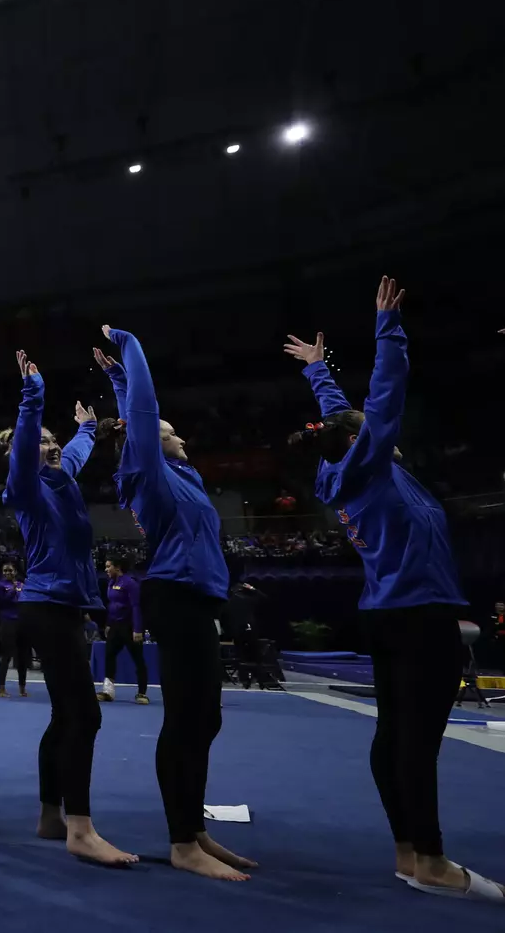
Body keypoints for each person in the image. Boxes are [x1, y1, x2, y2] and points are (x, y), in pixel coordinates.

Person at [284, 277, 500, 902]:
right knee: (416, 741)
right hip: (416, 616)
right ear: (362, 443)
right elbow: (380, 403)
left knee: (396, 737)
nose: (391, 438)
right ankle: (431, 861)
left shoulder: (350, 468)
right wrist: (388, 329)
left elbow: (344, 421)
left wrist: (319, 371)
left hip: (391, 613)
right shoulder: (367, 466)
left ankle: (409, 853)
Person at [97, 324, 252, 881]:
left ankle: (197, 828)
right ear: (149, 443)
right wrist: (130, 348)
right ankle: (182, 840)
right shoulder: (145, 471)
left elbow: (133, 421)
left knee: (205, 719)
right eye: (167, 430)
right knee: (186, 717)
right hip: (175, 595)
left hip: (199, 600)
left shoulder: (184, 474)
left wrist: (115, 381)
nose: (176, 431)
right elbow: (141, 415)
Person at [0, 351, 136, 866]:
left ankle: (50, 815)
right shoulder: (28, 489)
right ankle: (81, 828)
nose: (52, 448)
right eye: (44, 444)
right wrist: (33, 391)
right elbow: (30, 443)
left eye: (56, 444)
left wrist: (85, 430)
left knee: (63, 716)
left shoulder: (62, 476)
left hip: (65, 606)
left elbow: (74, 451)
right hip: (48, 606)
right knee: (86, 716)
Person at [98, 560, 149, 704]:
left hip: (130, 626)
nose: (106, 569)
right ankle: (108, 691)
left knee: (138, 659)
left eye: (109, 566)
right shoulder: (111, 583)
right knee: (109, 655)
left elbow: (136, 606)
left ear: (118, 567)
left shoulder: (130, 583)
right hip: (115, 626)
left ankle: (142, 693)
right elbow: (112, 605)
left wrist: (138, 629)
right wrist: (108, 624)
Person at [0, 563, 28, 696]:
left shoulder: (22, 585)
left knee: (23, 656)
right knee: (6, 656)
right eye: (5, 570)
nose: (8, 573)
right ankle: (2, 688)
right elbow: (2, 601)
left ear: (15, 571)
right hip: (7, 622)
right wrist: (13, 590)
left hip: (21, 622)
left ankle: (22, 688)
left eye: (10, 570)